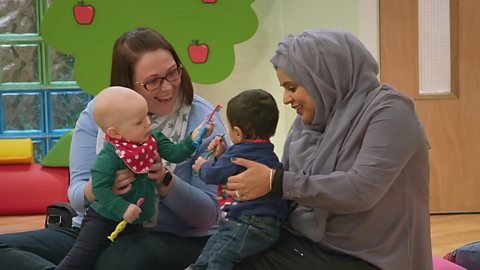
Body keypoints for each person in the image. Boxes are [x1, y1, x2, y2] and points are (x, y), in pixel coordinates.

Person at [0, 27, 227, 270]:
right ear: (128, 84)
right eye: (153, 81)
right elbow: (76, 196)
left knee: (115, 262)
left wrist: (165, 180)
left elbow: (208, 216)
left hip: (176, 237)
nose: (168, 87)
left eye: (173, 72)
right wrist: (97, 189)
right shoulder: (100, 115)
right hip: (97, 228)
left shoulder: (202, 122)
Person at [227, 29, 433, 270]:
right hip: (310, 241)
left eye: (292, 87)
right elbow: (289, 192)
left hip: (370, 257)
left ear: (323, 78)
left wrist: (275, 182)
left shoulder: (391, 111)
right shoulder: (310, 123)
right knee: (226, 249)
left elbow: (361, 190)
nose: (285, 99)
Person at [56, 86, 213, 270]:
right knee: (79, 260)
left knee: (123, 260)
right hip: (102, 220)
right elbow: (100, 189)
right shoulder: (110, 155)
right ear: (115, 133)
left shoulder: (152, 138)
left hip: (136, 223)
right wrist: (123, 208)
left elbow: (175, 153)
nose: (148, 123)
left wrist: (193, 138)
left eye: (147, 116)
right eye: (139, 122)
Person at [187, 89, 288, 270]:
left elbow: (213, 174)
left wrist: (202, 165)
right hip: (265, 225)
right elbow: (232, 168)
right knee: (214, 245)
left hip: (250, 223)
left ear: (237, 132)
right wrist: (221, 156)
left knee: (219, 256)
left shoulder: (240, 152)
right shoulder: (267, 153)